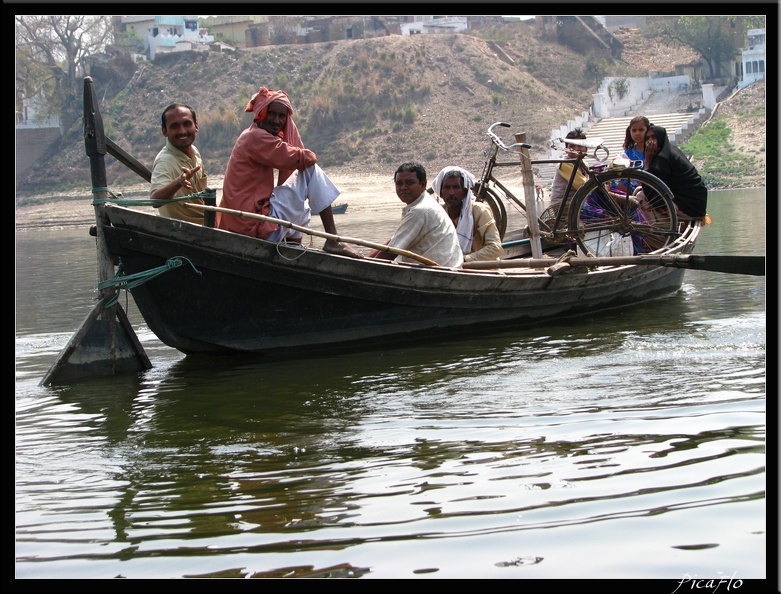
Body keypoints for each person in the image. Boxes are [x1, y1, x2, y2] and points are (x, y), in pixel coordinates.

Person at [216, 87, 361, 258]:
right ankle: (332, 240)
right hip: (251, 225)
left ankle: (291, 250)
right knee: (310, 171)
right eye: (272, 114)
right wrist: (310, 153)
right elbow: (303, 159)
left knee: (303, 206)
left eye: (281, 116)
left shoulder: (251, 135)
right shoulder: (255, 137)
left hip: (248, 221)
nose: (277, 120)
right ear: (262, 114)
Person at [368, 162, 463, 268]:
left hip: (438, 275)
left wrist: (365, 269)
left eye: (409, 183)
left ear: (423, 185)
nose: (403, 187)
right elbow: (392, 242)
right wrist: (365, 260)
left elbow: (390, 252)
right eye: (399, 184)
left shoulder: (420, 210)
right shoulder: (423, 205)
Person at [149, 103, 207, 224]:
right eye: (175, 126)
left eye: (187, 124)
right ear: (165, 131)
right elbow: (155, 200)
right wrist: (178, 182)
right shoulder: (165, 161)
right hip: (189, 233)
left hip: (208, 223)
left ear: (196, 126)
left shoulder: (194, 151)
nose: (182, 131)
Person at [431, 166, 502, 262]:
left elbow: (495, 248)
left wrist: (464, 259)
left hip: (482, 270)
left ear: (464, 192)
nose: (451, 192)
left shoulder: (480, 211)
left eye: (456, 187)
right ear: (441, 192)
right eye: (447, 188)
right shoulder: (439, 214)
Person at [640, 124, 708, 219]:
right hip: (694, 204)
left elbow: (653, 193)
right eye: (647, 138)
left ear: (661, 138)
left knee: (640, 196)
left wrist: (647, 162)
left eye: (654, 137)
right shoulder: (670, 151)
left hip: (690, 207)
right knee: (639, 191)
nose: (650, 142)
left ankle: (660, 228)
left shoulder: (662, 159)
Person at [549, 127, 588, 206]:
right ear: (566, 148)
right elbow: (583, 185)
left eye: (580, 146)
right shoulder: (565, 163)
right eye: (572, 146)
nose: (576, 149)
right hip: (563, 205)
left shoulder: (583, 164)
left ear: (586, 148)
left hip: (577, 202)